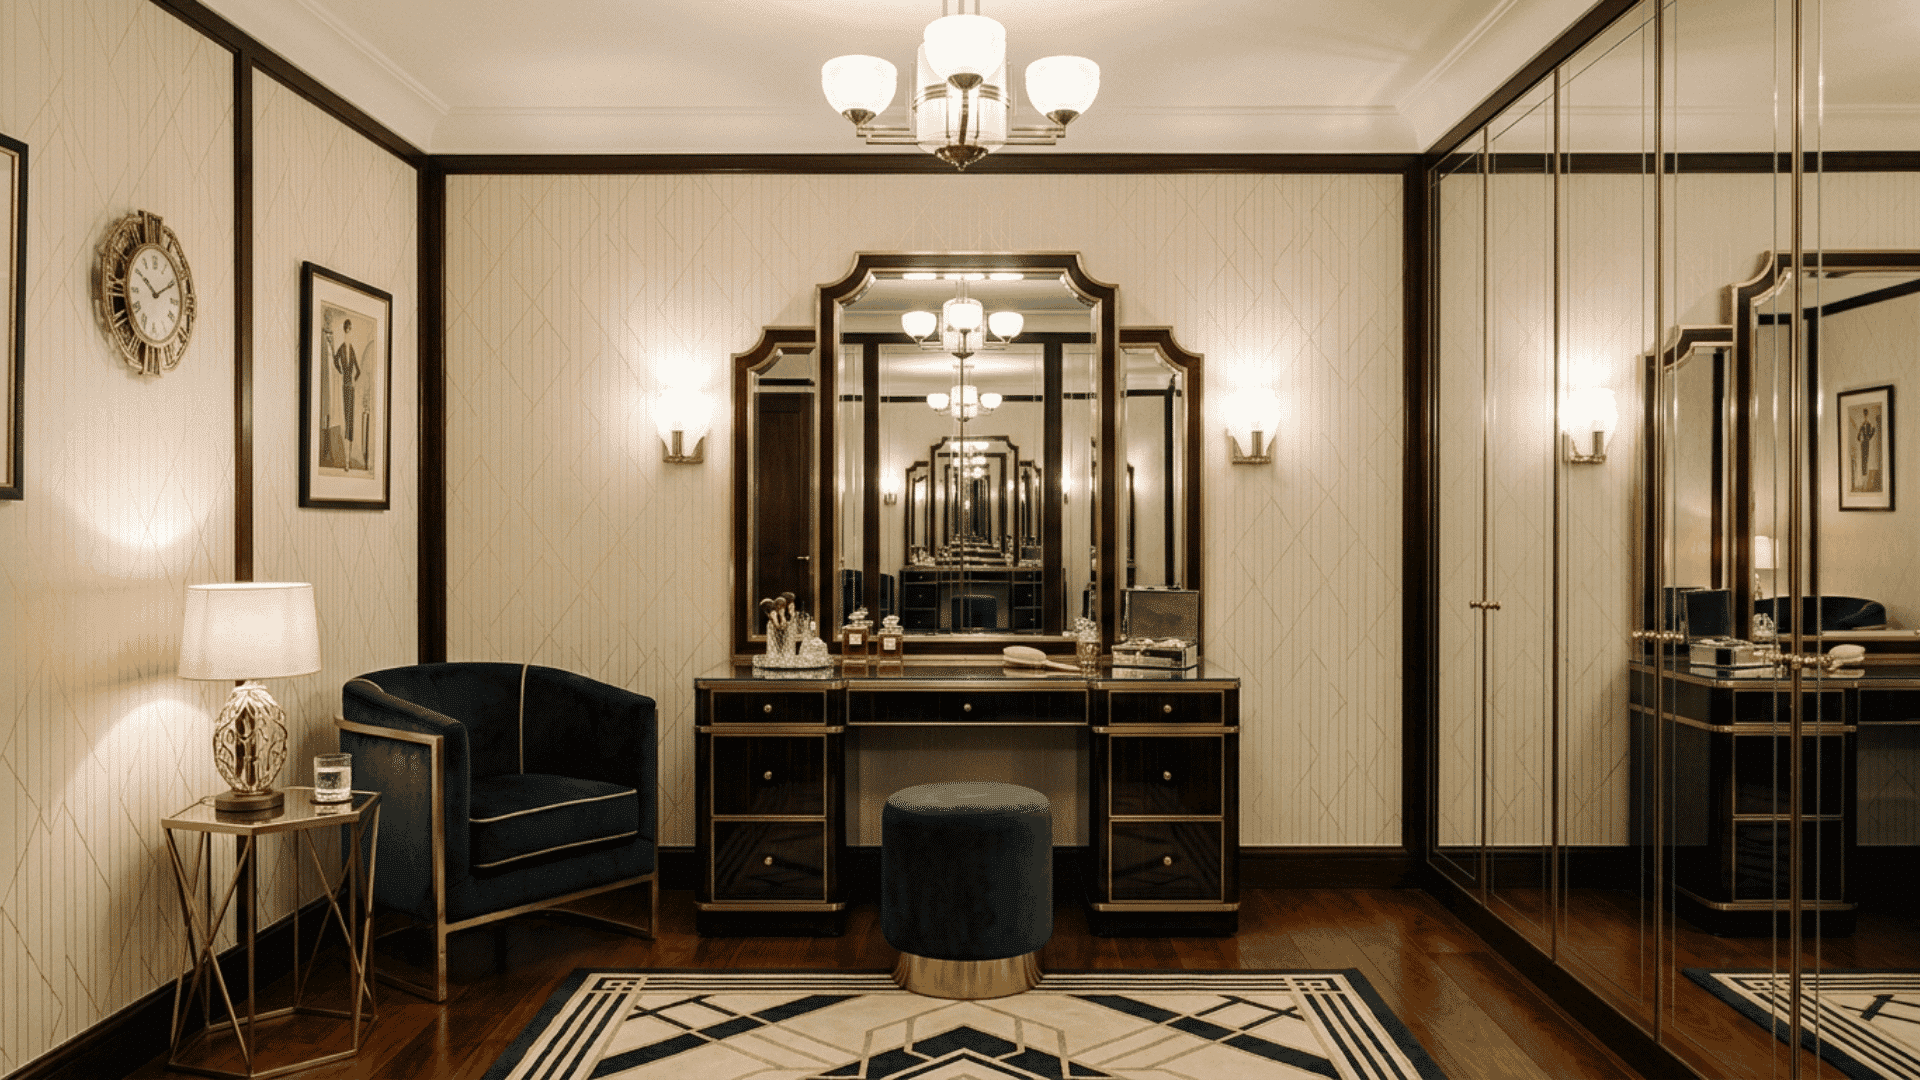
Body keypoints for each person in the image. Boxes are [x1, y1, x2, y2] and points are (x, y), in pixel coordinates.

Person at [334, 317, 361, 446]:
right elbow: (335, 360)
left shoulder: (352, 349)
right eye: (346, 330)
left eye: (349, 330)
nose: (348, 333)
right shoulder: (341, 348)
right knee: (346, 410)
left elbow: (358, 370)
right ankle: (346, 437)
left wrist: (354, 380)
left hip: (351, 385)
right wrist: (340, 371)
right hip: (344, 384)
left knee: (351, 411)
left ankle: (350, 438)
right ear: (344, 331)